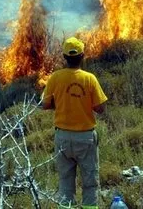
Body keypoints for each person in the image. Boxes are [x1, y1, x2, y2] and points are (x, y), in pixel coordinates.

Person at [41, 37, 108, 209]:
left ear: (64, 57)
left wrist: (62, 103)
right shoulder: (90, 79)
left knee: (65, 183)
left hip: (62, 137)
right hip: (85, 139)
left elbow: (45, 104)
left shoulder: (55, 78)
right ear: (82, 56)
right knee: (90, 183)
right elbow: (100, 108)